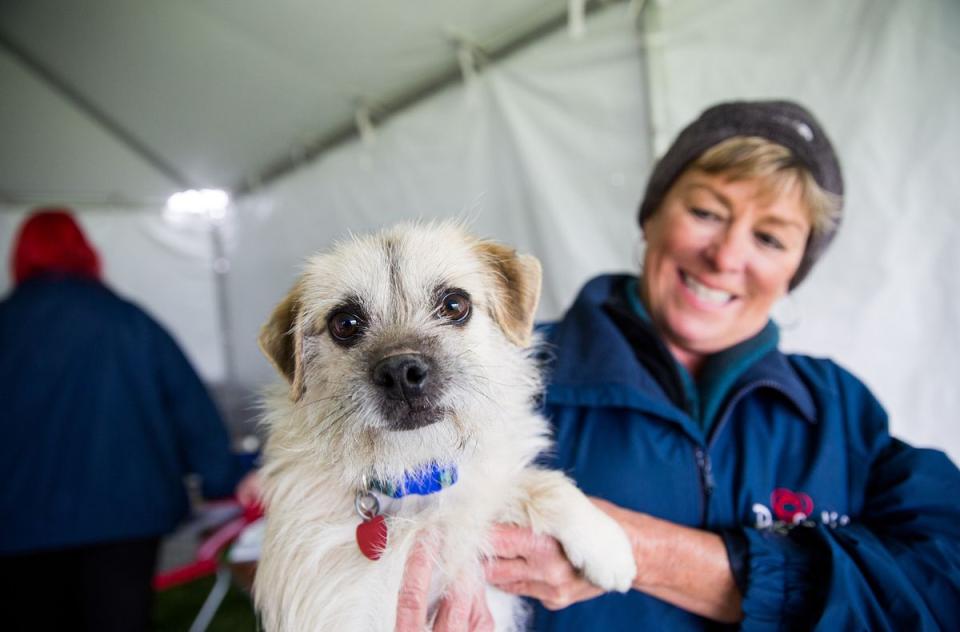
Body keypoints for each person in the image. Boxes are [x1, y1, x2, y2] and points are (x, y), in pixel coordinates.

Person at [398, 100, 960, 630]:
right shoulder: (499, 378)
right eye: (707, 212)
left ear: (796, 269)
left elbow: (943, 583)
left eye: (769, 238)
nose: (726, 256)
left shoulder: (836, 411)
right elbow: (385, 523)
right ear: (651, 217)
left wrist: (643, 553)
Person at [0, 209, 257, 632]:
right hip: (126, 521)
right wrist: (226, 477)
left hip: (18, 526)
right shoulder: (130, 322)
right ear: (86, 251)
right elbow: (194, 414)